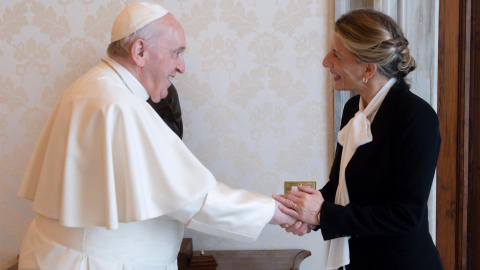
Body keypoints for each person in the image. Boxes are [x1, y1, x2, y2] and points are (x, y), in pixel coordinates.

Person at [17, 2, 295, 269]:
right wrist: (275, 210)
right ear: (139, 51)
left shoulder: (91, 88)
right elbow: (192, 199)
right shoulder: (119, 104)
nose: (182, 66)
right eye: (176, 53)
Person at [273, 9, 443, 270]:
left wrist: (322, 213)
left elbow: (406, 216)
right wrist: (303, 211)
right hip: (356, 261)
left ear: (368, 68)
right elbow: (341, 188)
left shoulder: (417, 118)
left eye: (337, 55)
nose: (325, 61)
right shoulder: (354, 108)